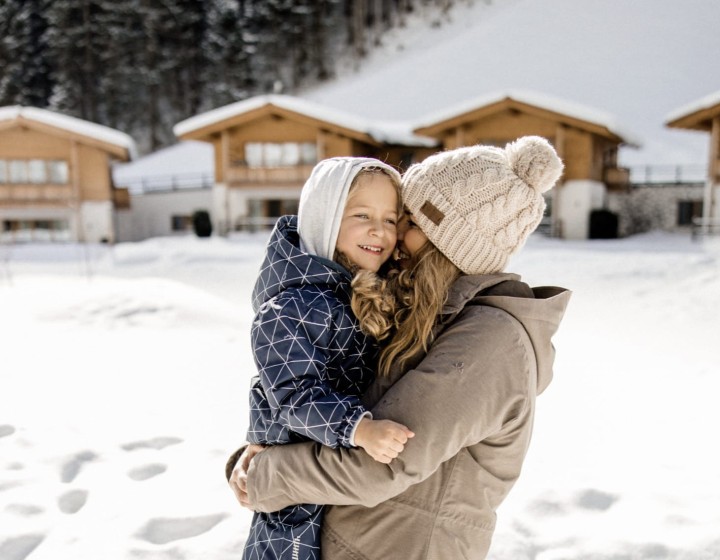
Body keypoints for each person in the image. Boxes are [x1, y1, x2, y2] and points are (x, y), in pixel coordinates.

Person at [230, 137, 571, 560]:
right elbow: (325, 390)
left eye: (404, 221)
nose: (392, 237)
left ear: (439, 241)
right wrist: (266, 444)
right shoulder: (427, 315)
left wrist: (263, 475)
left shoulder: (488, 343)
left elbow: (383, 462)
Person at [242, 157, 414, 560]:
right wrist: (359, 428)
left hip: (342, 487)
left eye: (391, 220)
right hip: (297, 507)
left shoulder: (367, 292)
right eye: (361, 215)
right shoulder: (289, 306)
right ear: (325, 218)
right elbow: (293, 397)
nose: (379, 230)